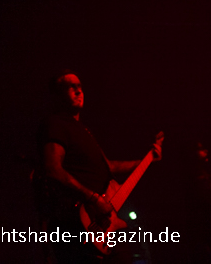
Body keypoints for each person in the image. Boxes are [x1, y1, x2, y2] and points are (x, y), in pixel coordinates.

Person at [34, 70, 162, 264]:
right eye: (70, 87)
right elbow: (53, 169)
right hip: (80, 225)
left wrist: (147, 160)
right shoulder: (55, 124)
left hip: (105, 224)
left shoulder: (84, 130)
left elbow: (108, 166)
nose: (78, 91)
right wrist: (93, 198)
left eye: (79, 86)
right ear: (57, 95)